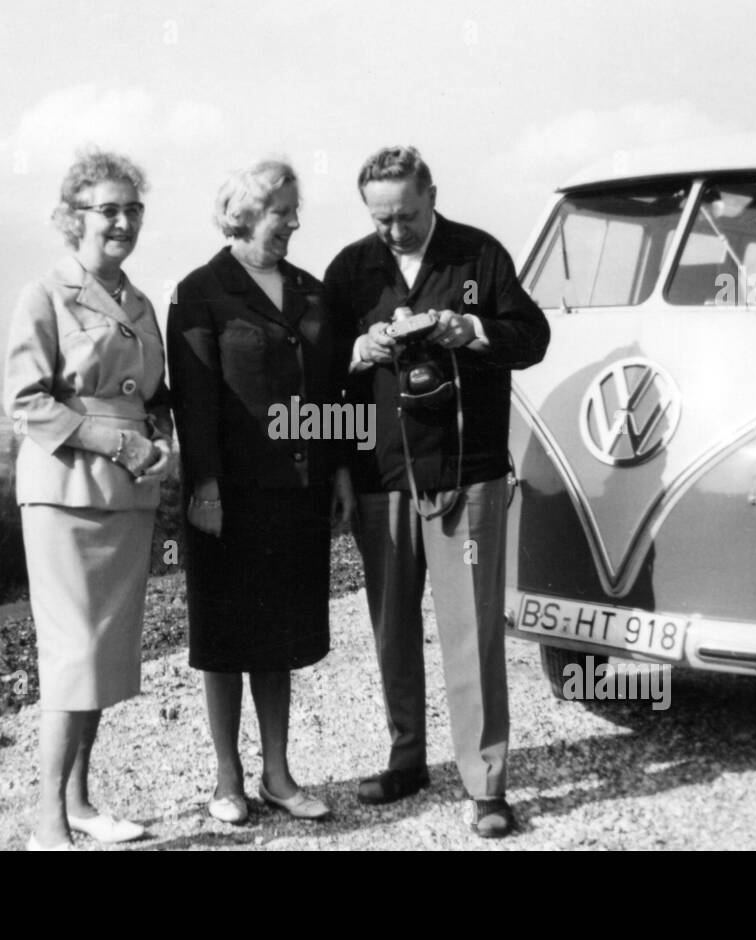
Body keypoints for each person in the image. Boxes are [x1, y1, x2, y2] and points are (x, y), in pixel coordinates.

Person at [322, 145, 550, 838]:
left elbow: (533, 335)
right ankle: (406, 760)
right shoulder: (349, 268)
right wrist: (360, 352)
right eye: (381, 219)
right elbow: (322, 368)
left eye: (406, 216)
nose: (393, 231)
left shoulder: (479, 254)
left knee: (471, 631)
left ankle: (485, 785)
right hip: (378, 475)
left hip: (467, 472)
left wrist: (472, 330)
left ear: (432, 195)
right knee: (391, 626)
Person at [167, 159, 354, 825]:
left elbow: (329, 390)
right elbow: (193, 405)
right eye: (283, 211)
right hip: (226, 498)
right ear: (246, 213)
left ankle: (278, 774)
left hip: (295, 496)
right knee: (224, 639)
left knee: (280, 639)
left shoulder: (310, 290)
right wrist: (205, 490)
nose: (295, 223)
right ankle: (228, 778)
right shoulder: (198, 292)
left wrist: (334, 472)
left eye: (296, 210)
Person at [4, 147, 174, 850]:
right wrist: (116, 443)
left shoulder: (138, 301)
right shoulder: (43, 294)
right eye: (108, 209)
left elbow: (155, 395)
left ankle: (79, 801)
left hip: (128, 499)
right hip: (66, 497)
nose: (123, 222)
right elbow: (24, 400)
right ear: (74, 217)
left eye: (133, 210)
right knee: (73, 655)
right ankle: (48, 820)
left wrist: (161, 438)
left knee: (102, 655)